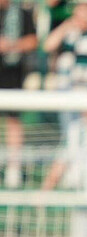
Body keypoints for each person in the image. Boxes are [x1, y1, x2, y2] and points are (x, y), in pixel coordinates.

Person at [0, 0, 36, 189]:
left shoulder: (21, 11)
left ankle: (13, 168)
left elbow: (33, 40)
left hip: (13, 73)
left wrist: (12, 46)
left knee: (13, 120)